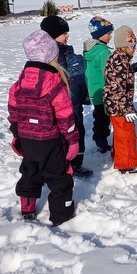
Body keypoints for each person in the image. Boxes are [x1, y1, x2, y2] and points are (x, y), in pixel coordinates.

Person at [8, 29, 79, 226]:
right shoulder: (54, 83)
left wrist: (17, 130)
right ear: (51, 56)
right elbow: (65, 115)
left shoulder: (20, 81)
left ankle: (27, 207)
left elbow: (13, 108)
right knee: (59, 177)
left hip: (27, 138)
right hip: (50, 140)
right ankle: (61, 214)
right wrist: (72, 140)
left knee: (30, 171)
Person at [40, 14, 92, 178]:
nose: (67, 36)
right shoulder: (53, 57)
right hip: (65, 104)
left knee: (76, 131)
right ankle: (71, 164)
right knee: (72, 132)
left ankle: (74, 163)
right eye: (64, 33)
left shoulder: (64, 51)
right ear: (53, 36)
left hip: (73, 102)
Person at [102, 25, 137, 173]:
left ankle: (118, 155)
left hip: (115, 104)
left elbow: (117, 78)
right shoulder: (121, 62)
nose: (134, 49)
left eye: (135, 45)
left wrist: (131, 69)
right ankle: (126, 164)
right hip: (119, 106)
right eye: (132, 46)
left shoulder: (117, 58)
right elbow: (117, 89)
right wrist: (127, 110)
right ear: (123, 46)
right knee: (126, 134)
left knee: (120, 133)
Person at [84, 16, 114, 154]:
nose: (110, 36)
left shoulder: (89, 49)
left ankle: (100, 141)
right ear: (100, 34)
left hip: (94, 90)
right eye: (108, 33)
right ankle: (102, 143)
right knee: (104, 118)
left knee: (99, 116)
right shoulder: (103, 52)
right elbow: (109, 72)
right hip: (103, 90)